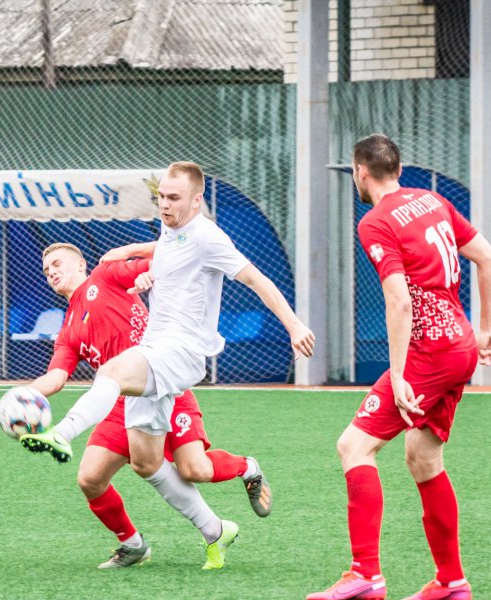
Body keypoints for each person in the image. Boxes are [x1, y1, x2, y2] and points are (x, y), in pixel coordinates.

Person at [22, 161, 314, 569]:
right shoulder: (170, 227)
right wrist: (135, 249)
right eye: (161, 197)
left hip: (180, 352)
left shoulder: (209, 237)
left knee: (110, 372)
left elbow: (257, 279)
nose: (164, 205)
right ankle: (216, 532)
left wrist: (294, 324)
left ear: (196, 201)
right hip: (151, 355)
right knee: (151, 463)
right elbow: (169, 248)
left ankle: (62, 433)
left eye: (174, 198)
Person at [305, 134, 491, 600]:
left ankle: (365, 574)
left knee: (354, 446)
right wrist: (487, 328)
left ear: (361, 172)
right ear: (397, 167)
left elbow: (399, 301)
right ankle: (451, 581)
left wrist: (397, 374)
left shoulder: (376, 221)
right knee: (424, 457)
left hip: (428, 351)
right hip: (459, 345)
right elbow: (489, 258)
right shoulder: (432, 200)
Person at [29, 242, 272, 569]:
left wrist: (145, 269)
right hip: (120, 401)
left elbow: (168, 256)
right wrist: (23, 395)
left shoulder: (104, 274)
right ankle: (133, 545)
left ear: (81, 264)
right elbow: (56, 377)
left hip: (163, 381)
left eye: (57, 264)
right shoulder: (68, 329)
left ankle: (247, 468)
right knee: (90, 478)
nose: (52, 273)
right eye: (46, 271)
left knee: (195, 470)